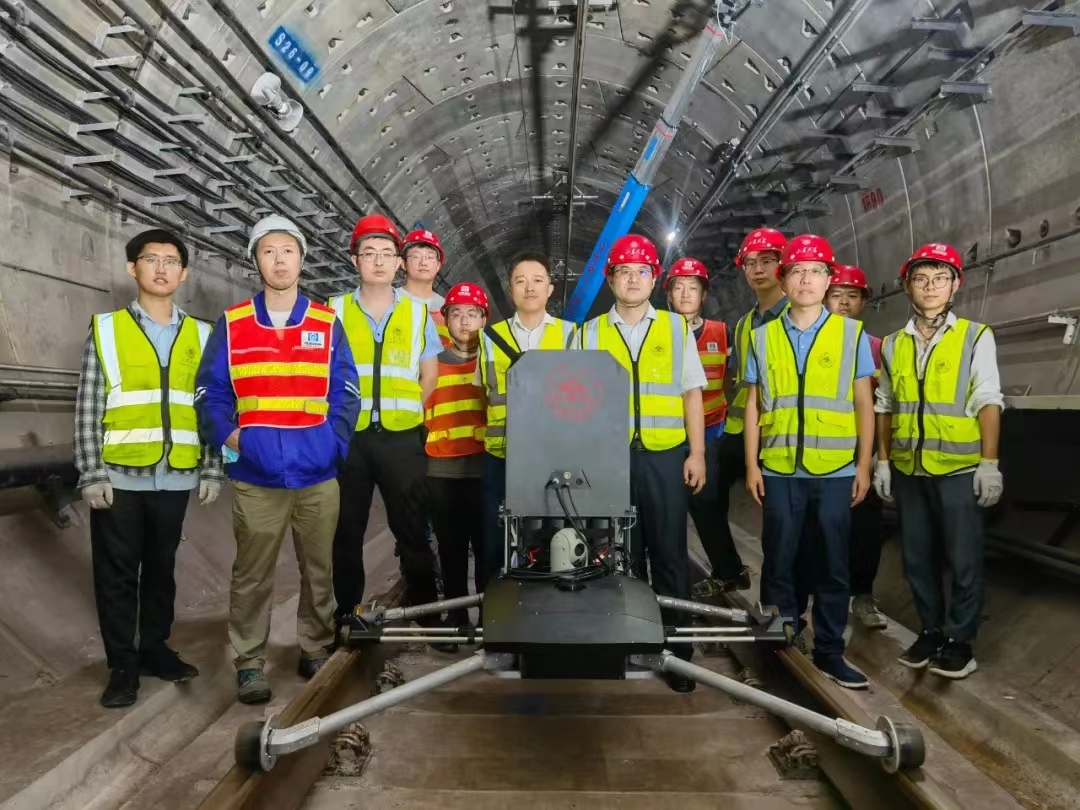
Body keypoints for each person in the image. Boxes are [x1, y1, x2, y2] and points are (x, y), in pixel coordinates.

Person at [195, 215, 361, 704]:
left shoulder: (326, 323)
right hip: (257, 474)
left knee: (319, 568)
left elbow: (347, 391)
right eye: (268, 251)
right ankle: (249, 662)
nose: (279, 260)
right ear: (256, 260)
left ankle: (314, 646)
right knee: (252, 573)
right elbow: (209, 392)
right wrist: (232, 437)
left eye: (288, 250)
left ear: (302, 259)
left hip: (317, 473)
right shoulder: (234, 323)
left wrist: (332, 444)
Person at [74, 228, 221, 708]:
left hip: (175, 473)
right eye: (151, 259)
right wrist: (91, 471)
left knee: (161, 568)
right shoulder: (107, 329)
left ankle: (155, 649)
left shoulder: (202, 334)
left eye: (171, 261)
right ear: (131, 267)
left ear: (184, 273)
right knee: (116, 572)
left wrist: (212, 467)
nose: (161, 268)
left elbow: (210, 406)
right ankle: (122, 665)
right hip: (120, 474)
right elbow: (89, 405)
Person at [743, 234, 876, 689]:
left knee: (833, 563)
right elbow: (754, 404)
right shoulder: (762, 337)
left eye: (816, 271)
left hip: (835, 470)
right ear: (784, 280)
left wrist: (863, 465)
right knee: (778, 558)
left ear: (827, 279)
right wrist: (752, 465)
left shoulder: (850, 334)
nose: (806, 279)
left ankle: (830, 651)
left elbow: (863, 402)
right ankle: (774, 644)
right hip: (780, 468)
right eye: (797, 271)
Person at [579, 235, 707, 694]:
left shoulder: (675, 328)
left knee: (670, 554)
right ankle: (628, 642)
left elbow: (691, 394)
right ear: (610, 279)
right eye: (624, 271)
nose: (633, 279)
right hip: (610, 461)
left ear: (655, 279)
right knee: (620, 556)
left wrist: (697, 453)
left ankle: (677, 654)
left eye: (642, 272)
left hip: (665, 456)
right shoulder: (589, 333)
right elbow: (578, 402)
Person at [874, 243, 1003, 680]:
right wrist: (883, 461)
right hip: (910, 469)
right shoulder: (893, 344)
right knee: (917, 557)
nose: (931, 287)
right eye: (921, 279)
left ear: (955, 285)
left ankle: (960, 642)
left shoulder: (975, 336)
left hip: (958, 469)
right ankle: (930, 631)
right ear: (907, 286)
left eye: (940, 279)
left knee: (963, 558)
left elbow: (988, 399)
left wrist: (989, 462)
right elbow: (886, 404)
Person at [329, 214, 445, 630]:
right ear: (355, 260)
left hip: (401, 440)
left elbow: (429, 374)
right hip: (350, 440)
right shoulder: (334, 310)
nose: (378, 261)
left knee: (412, 530)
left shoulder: (417, 313)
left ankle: (427, 615)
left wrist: (408, 410)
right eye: (368, 253)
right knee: (346, 531)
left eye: (386, 254)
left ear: (398, 263)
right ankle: (347, 615)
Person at [694, 227, 789, 598]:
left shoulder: (798, 315)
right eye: (750, 263)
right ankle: (730, 570)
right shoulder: (745, 324)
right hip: (740, 427)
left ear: (783, 265)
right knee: (704, 493)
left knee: (779, 517)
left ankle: (779, 595)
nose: (758, 269)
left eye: (767, 261)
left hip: (782, 431)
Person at [477, 251, 576, 584]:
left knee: (553, 541)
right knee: (494, 542)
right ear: (510, 290)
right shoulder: (488, 338)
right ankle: (493, 607)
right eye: (521, 281)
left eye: (537, 281)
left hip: (554, 458)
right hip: (500, 456)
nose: (529, 288)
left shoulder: (571, 335)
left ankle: (551, 605)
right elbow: (483, 394)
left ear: (550, 289)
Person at [663, 257, 735, 589]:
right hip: (668, 431)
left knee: (705, 502)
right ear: (669, 294)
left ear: (704, 294)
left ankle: (729, 571)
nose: (685, 294)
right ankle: (670, 573)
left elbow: (730, 378)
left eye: (693, 288)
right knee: (669, 506)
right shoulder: (658, 331)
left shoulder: (721, 332)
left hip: (709, 428)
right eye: (679, 287)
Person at [824, 265, 888, 631]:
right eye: (837, 295)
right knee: (823, 525)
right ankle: (826, 591)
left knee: (865, 527)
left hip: (861, 451)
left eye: (853, 295)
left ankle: (863, 595)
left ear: (864, 302)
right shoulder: (811, 343)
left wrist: (879, 455)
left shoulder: (878, 348)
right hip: (821, 449)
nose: (844, 302)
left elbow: (886, 405)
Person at [425, 283, 490, 637]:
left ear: (483, 319)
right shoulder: (431, 364)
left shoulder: (494, 361)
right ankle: (457, 620)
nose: (464, 321)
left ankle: (489, 618)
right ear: (445, 320)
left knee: (486, 550)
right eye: (456, 314)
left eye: (472, 314)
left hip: (485, 471)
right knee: (451, 550)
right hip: (442, 470)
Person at [400, 228, 451, 349]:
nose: (423, 262)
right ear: (403, 263)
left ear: (438, 266)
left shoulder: (447, 311)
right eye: (415, 256)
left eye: (430, 257)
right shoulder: (388, 302)